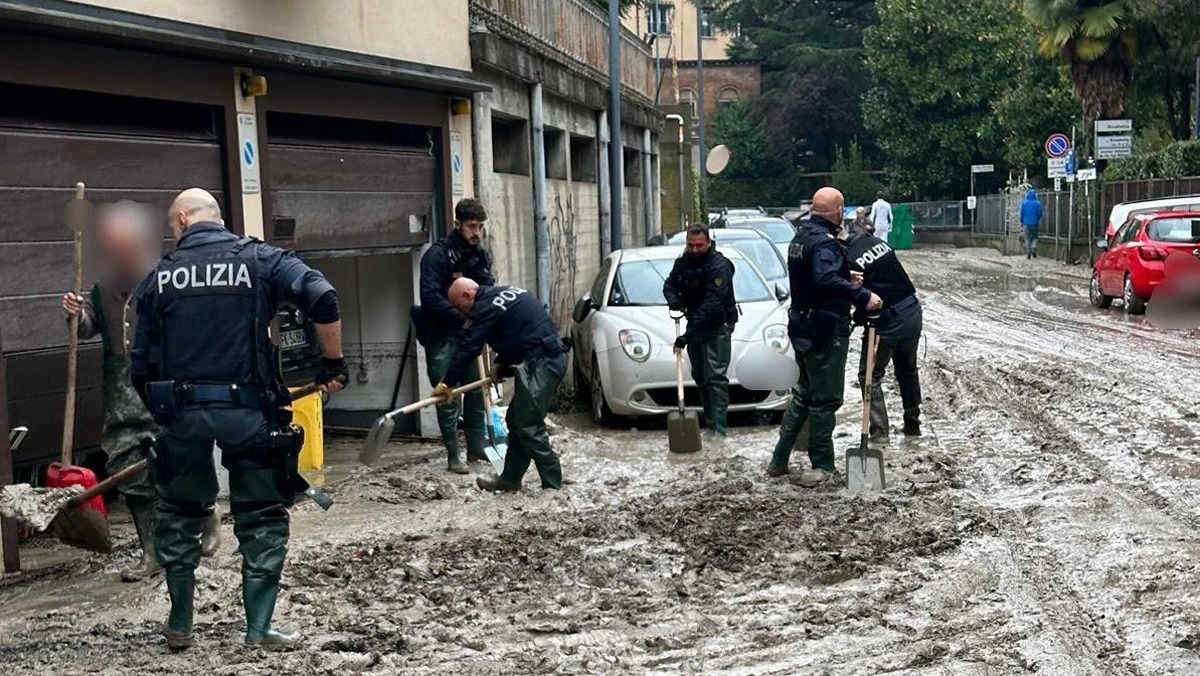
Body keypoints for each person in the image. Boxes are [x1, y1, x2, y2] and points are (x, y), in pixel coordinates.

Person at [131, 188, 347, 651]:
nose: (172, 235)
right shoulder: (263, 260)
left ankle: (180, 624)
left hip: (183, 415)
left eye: (171, 227)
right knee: (262, 515)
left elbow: (140, 367)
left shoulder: (158, 278)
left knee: (179, 514)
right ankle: (259, 628)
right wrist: (332, 364)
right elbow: (323, 297)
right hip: (251, 413)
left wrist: (164, 416)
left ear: (184, 221)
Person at [62, 202, 221, 582]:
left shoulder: (167, 279)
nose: (118, 254)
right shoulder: (102, 289)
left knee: (176, 462)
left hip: (163, 384)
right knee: (127, 470)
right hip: (120, 390)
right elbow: (88, 330)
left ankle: (205, 513)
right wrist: (75, 315)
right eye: (111, 247)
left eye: (123, 246)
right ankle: (152, 552)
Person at [767, 188, 881, 483]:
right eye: (841, 211)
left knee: (804, 394)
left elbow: (814, 278)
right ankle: (823, 465)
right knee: (825, 400)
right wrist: (862, 294)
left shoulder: (800, 238)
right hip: (824, 329)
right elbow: (825, 278)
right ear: (837, 211)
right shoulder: (825, 243)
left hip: (802, 326)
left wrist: (845, 276)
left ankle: (779, 460)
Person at [433, 278, 567, 492]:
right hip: (542, 359)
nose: (461, 314)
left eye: (459, 307)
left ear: (468, 296)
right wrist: (501, 363)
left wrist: (448, 383)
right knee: (515, 420)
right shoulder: (501, 295)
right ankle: (510, 479)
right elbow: (517, 331)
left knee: (528, 425)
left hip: (543, 363)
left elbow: (470, 346)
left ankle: (553, 485)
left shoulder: (486, 307)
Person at [418, 198, 494, 474]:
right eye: (472, 226)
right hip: (441, 335)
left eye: (480, 227)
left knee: (475, 389)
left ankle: (477, 446)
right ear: (457, 224)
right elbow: (430, 298)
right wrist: (459, 318)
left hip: (469, 335)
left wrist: (483, 318)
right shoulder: (436, 256)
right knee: (447, 395)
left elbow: (488, 289)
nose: (477, 232)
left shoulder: (478, 255)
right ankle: (453, 454)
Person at [846, 226, 924, 437]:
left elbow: (864, 300)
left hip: (886, 320)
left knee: (869, 375)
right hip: (912, 309)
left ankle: (880, 433)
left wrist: (854, 319)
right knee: (907, 370)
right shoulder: (875, 242)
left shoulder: (849, 261)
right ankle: (912, 424)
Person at [662, 225, 738, 439]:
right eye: (690, 245)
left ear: (709, 243)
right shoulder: (683, 262)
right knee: (701, 376)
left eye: (699, 246)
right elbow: (669, 285)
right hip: (695, 324)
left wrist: (686, 336)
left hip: (717, 325)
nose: (694, 250)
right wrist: (674, 301)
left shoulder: (719, 267)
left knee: (715, 376)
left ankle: (720, 429)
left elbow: (712, 304)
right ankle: (710, 424)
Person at [1020, 189, 1043, 259]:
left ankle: (1028, 251)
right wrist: (1037, 219)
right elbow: (1040, 213)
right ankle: (1034, 248)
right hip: (1035, 223)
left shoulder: (1024, 203)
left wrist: (1022, 221)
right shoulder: (1037, 203)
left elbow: (1021, 213)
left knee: (1027, 238)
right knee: (1034, 237)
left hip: (1026, 223)